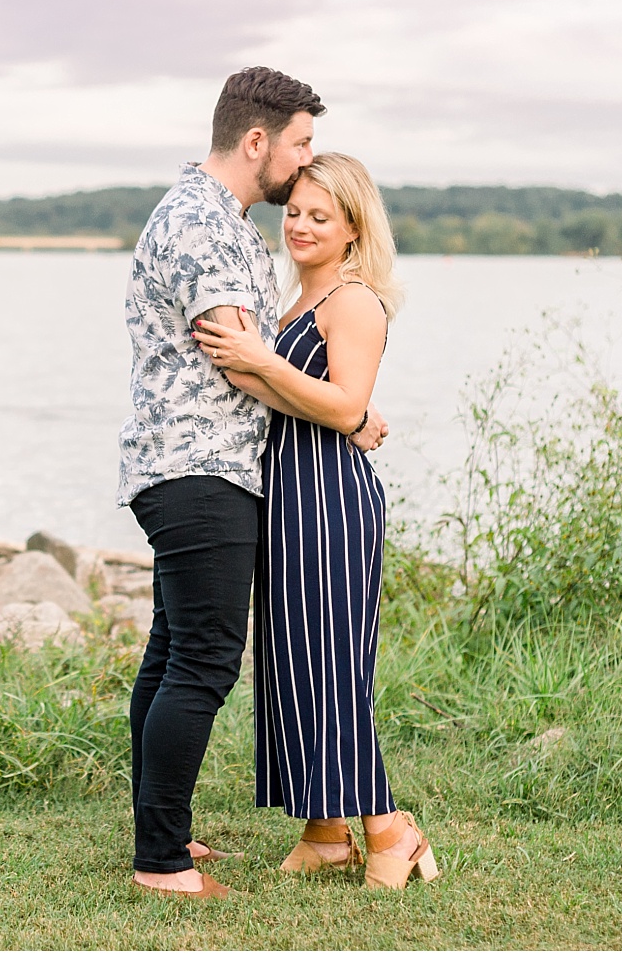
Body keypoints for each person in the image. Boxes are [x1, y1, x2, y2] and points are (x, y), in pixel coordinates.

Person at [117, 68, 382, 899]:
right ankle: (160, 862)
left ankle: (164, 834)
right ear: (258, 140)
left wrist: (343, 410)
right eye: (300, 143)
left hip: (191, 465)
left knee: (173, 652)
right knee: (203, 660)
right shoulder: (203, 224)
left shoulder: (215, 219)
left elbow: (256, 357)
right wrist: (346, 416)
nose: (304, 161)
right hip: (201, 468)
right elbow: (241, 363)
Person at [193, 152, 437, 891]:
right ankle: (326, 832)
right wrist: (258, 362)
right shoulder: (295, 299)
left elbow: (344, 404)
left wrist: (263, 361)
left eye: (319, 216)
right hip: (287, 493)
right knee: (294, 665)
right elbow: (310, 398)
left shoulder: (354, 300)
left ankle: (392, 833)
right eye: (294, 212)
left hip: (329, 497)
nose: (299, 225)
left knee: (331, 668)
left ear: (353, 227)